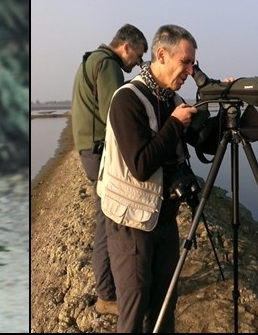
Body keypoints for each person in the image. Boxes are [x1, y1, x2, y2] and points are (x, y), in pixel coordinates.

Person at [97, 24, 199, 333]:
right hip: (131, 226)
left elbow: (204, 141)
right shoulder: (127, 99)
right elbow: (140, 165)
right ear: (161, 55)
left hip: (163, 220)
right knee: (134, 312)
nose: (191, 71)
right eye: (186, 62)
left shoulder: (171, 98)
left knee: (164, 308)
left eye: (194, 63)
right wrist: (174, 125)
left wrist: (225, 101)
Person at [71, 24, 148, 316]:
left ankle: (109, 287)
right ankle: (107, 295)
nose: (138, 63)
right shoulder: (109, 66)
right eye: (139, 56)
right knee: (108, 224)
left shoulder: (94, 59)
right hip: (97, 150)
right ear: (126, 46)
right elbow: (116, 116)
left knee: (106, 220)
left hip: (88, 147)